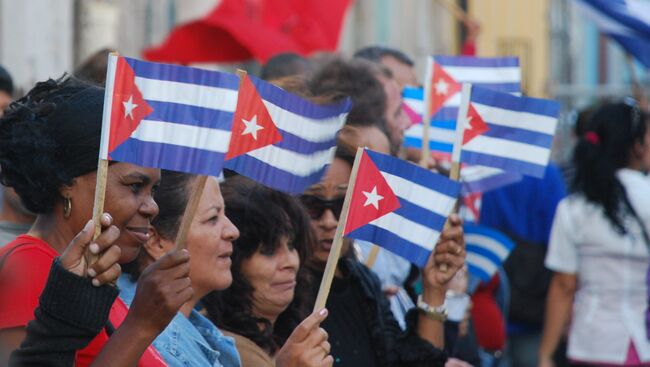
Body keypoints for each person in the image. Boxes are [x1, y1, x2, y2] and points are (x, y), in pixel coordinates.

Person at [0, 76, 191, 366]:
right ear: (66, 182)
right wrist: (141, 325)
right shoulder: (28, 266)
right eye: (134, 186)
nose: (152, 207)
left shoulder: (93, 274)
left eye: (155, 190)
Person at [120, 172, 332, 367]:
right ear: (156, 241)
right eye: (213, 218)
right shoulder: (153, 344)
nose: (233, 231)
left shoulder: (201, 333)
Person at [299, 132, 466, 366]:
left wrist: (434, 291)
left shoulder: (362, 281)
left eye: (342, 204)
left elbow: (409, 362)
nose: (329, 221)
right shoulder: (285, 289)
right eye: (312, 205)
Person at [539, 101, 650, 366]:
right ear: (636, 145)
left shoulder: (573, 208)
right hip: (642, 341)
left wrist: (546, 353)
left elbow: (564, 285)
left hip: (591, 342)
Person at [202, 177, 329, 367]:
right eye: (268, 251)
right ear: (230, 259)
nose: (290, 262)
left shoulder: (289, 334)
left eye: (292, 245)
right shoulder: (218, 349)